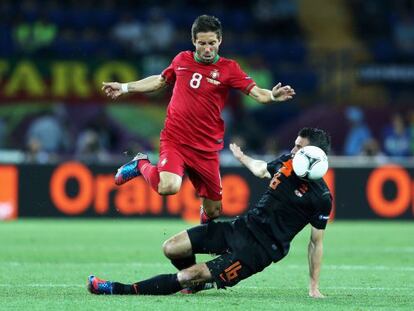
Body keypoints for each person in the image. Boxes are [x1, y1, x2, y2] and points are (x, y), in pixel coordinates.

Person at [88, 127, 332, 298]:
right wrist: (243, 157)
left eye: (299, 147)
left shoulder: (321, 197)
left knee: (185, 277)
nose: (293, 149)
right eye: (295, 144)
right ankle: (198, 284)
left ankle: (118, 289)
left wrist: (314, 286)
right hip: (242, 227)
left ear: (315, 156)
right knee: (170, 248)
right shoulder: (287, 162)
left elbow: (315, 244)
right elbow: (261, 170)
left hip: (258, 252)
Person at [102, 15, 295, 223]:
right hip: (175, 139)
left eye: (212, 43)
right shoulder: (181, 59)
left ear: (219, 41)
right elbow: (159, 82)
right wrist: (123, 87)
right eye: (202, 43)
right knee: (169, 186)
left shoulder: (229, 69)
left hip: (206, 148)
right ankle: (141, 164)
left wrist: (273, 96)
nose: (207, 49)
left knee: (213, 211)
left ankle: (200, 234)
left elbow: (258, 94)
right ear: (194, 41)